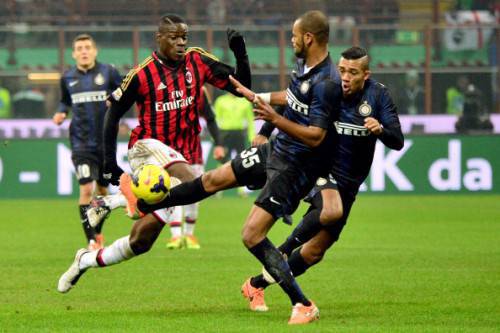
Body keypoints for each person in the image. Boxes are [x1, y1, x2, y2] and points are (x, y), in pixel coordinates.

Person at [136, 46, 403, 322]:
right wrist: (265, 131)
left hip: (346, 180)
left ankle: (257, 284)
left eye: (353, 73)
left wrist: (380, 130)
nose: (345, 77)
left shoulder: (378, 96)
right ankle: (288, 271)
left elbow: (398, 139)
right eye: (343, 70)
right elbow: (292, 102)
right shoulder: (327, 85)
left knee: (313, 252)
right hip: (312, 163)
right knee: (226, 183)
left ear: (366, 75)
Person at [141, 10, 341, 325]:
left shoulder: (328, 82)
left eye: (293, 35)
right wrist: (256, 99)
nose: (290, 40)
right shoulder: (303, 68)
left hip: (296, 167)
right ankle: (152, 201)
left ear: (308, 38)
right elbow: (290, 99)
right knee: (212, 179)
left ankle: (303, 304)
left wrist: (274, 120)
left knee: (251, 234)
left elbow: (317, 136)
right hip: (276, 150)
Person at [57, 13, 251, 295]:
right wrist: (110, 163)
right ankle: (114, 201)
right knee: (192, 181)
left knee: (141, 241)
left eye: (184, 37)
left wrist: (240, 53)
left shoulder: (198, 61)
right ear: (159, 38)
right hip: (147, 148)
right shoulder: (142, 73)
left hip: (178, 156)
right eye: (174, 37)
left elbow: (242, 88)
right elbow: (112, 114)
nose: (181, 43)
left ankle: (85, 259)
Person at [52, 33, 122, 250]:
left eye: (87, 47)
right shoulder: (67, 78)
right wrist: (61, 113)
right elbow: (65, 101)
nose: (83, 51)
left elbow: (123, 93)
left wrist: (117, 104)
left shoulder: (108, 72)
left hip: (105, 144)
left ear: (94, 51)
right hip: (81, 144)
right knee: (85, 189)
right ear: (74, 54)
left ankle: (98, 232)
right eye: (79, 48)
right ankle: (91, 240)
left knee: (103, 192)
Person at [165, 86, 225, 250]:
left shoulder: (198, 91)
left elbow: (211, 118)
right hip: (169, 150)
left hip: (193, 151)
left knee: (195, 191)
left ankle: (189, 234)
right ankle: (176, 235)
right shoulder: (163, 89)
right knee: (173, 189)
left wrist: (219, 144)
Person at [213, 91, 254, 197]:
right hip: (225, 133)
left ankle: (242, 189)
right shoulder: (220, 101)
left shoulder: (245, 101)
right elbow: (216, 120)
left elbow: (250, 120)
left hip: (239, 133)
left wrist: (251, 137)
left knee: (242, 160)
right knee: (222, 160)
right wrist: (216, 138)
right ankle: (218, 188)